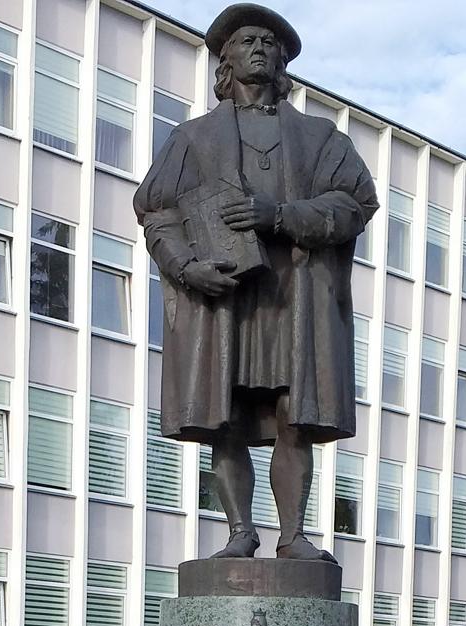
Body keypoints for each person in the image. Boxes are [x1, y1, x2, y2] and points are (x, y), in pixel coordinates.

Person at [135, 4, 377, 561]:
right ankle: (239, 530)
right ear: (226, 59)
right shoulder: (192, 139)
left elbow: (354, 203)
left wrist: (280, 216)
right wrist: (183, 266)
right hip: (225, 303)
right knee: (226, 416)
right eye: (247, 41)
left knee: (295, 413)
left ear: (283, 61)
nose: (260, 48)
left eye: (270, 42)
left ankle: (292, 534)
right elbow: (156, 210)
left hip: (296, 300)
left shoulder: (321, 138)